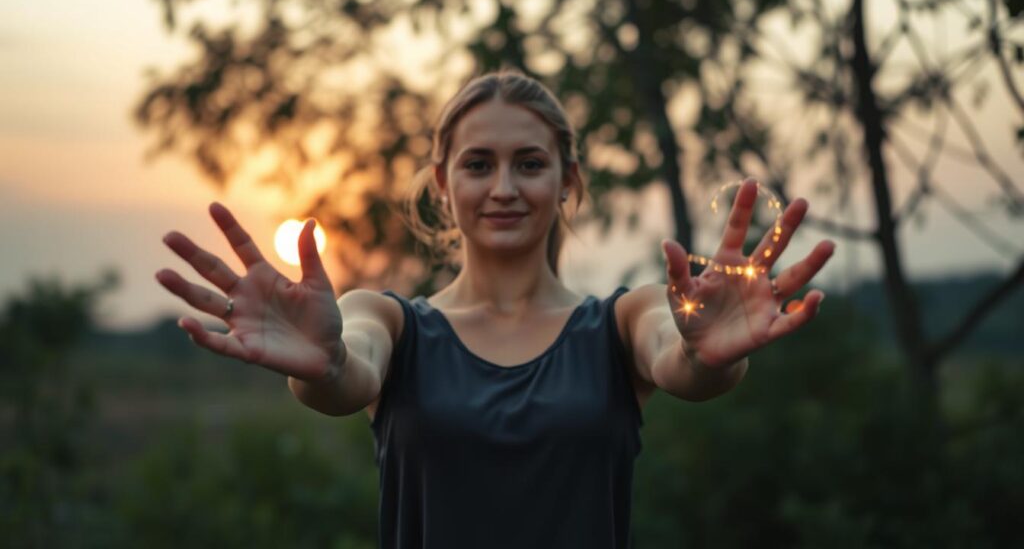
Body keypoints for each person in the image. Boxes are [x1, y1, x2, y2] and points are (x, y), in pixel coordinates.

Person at [155, 69, 835, 548]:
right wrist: (323, 362)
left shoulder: (623, 322)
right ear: (442, 184)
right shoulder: (389, 323)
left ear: (567, 180)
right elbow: (343, 372)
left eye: (529, 163)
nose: (504, 187)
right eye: (478, 164)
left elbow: (683, 357)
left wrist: (707, 354)